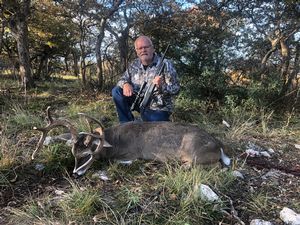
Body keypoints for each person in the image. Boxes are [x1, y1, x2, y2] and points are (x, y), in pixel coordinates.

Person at [112, 35, 180, 123]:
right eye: (140, 48)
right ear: (136, 51)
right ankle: (126, 125)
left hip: (159, 108)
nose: (143, 50)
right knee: (116, 91)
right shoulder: (134, 64)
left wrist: (162, 86)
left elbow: (176, 89)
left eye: (146, 47)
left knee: (152, 128)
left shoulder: (166, 64)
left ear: (152, 48)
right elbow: (122, 79)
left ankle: (144, 121)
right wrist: (125, 84)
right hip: (139, 103)